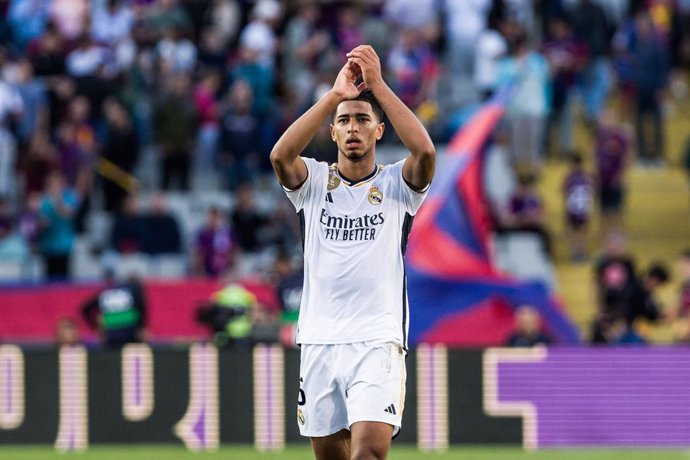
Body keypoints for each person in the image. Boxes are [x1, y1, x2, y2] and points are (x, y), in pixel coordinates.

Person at [270, 45, 435, 460]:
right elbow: (280, 156)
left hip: (378, 341)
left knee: (368, 454)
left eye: (363, 119)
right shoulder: (313, 184)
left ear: (379, 131)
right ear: (333, 132)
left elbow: (426, 152)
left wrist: (377, 86)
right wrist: (333, 96)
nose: (353, 128)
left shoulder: (399, 185)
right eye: (344, 121)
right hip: (319, 341)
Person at [81, 273, 147, 348]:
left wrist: (95, 327)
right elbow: (141, 310)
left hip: (110, 337)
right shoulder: (135, 290)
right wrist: (142, 327)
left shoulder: (106, 293)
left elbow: (85, 308)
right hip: (130, 335)